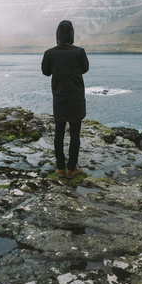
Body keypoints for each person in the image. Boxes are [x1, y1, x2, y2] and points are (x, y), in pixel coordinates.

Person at [41, 20, 89, 179]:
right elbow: (85, 69)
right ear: (71, 35)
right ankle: (71, 169)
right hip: (75, 99)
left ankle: (60, 168)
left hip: (59, 99)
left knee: (59, 133)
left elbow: (46, 72)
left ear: (57, 36)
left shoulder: (50, 53)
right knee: (75, 134)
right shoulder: (79, 52)